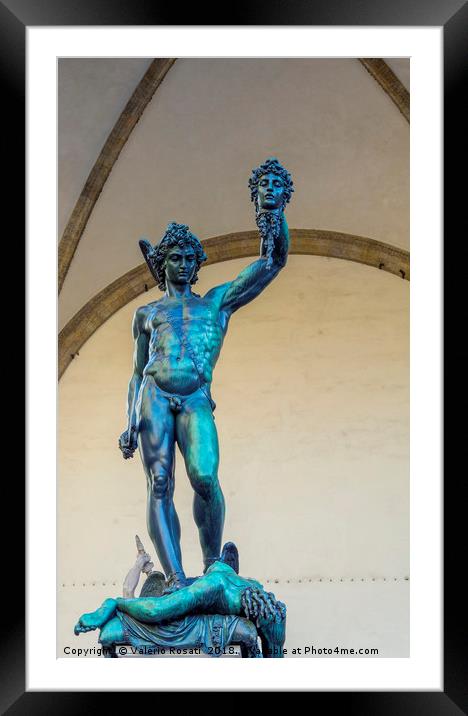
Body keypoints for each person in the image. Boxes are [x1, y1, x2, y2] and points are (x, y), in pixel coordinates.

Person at [118, 159, 294, 590]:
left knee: (204, 477)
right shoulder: (147, 313)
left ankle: (214, 561)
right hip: (154, 395)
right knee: (159, 481)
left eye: (188, 257)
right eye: (173, 257)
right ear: (162, 264)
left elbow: (271, 263)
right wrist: (127, 421)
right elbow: (137, 372)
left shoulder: (215, 304)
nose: (181, 263)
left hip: (196, 395)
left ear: (197, 263)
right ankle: (176, 576)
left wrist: (272, 213)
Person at [75, 558, 286, 657]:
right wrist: (118, 603)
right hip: (195, 594)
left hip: (211, 578)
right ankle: (113, 602)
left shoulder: (260, 593)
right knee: (154, 611)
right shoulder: (213, 588)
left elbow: (275, 652)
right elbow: (156, 610)